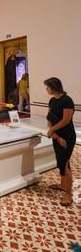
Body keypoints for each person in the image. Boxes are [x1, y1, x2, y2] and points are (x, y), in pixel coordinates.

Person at [44, 77, 76, 206]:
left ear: (54, 87)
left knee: (65, 164)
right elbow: (49, 117)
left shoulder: (67, 100)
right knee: (61, 162)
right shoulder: (52, 100)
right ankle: (63, 185)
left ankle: (68, 194)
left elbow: (65, 121)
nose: (46, 90)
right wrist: (55, 135)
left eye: (47, 87)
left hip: (67, 136)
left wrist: (52, 129)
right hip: (57, 135)